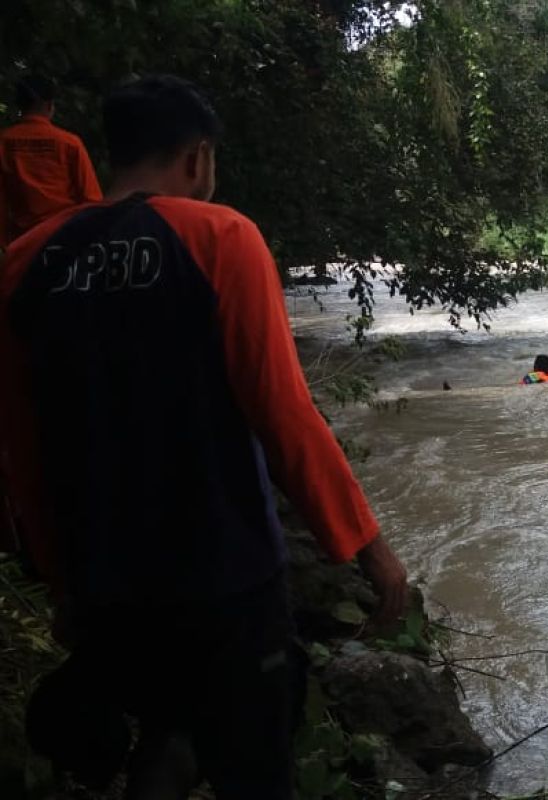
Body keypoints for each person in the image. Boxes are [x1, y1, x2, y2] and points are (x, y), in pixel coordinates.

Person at [0, 75, 409, 798]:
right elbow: (283, 415)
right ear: (198, 157)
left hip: (105, 583)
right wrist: (368, 549)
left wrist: (61, 582)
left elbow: (22, 448)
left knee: (165, 728)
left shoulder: (25, 261)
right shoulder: (222, 238)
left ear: (111, 153)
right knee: (252, 764)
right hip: (223, 577)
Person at [0, 74, 103, 247]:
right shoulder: (69, 143)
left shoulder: (4, 142)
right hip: (65, 239)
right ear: (49, 106)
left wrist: (4, 245)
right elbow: (91, 200)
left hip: (24, 243)